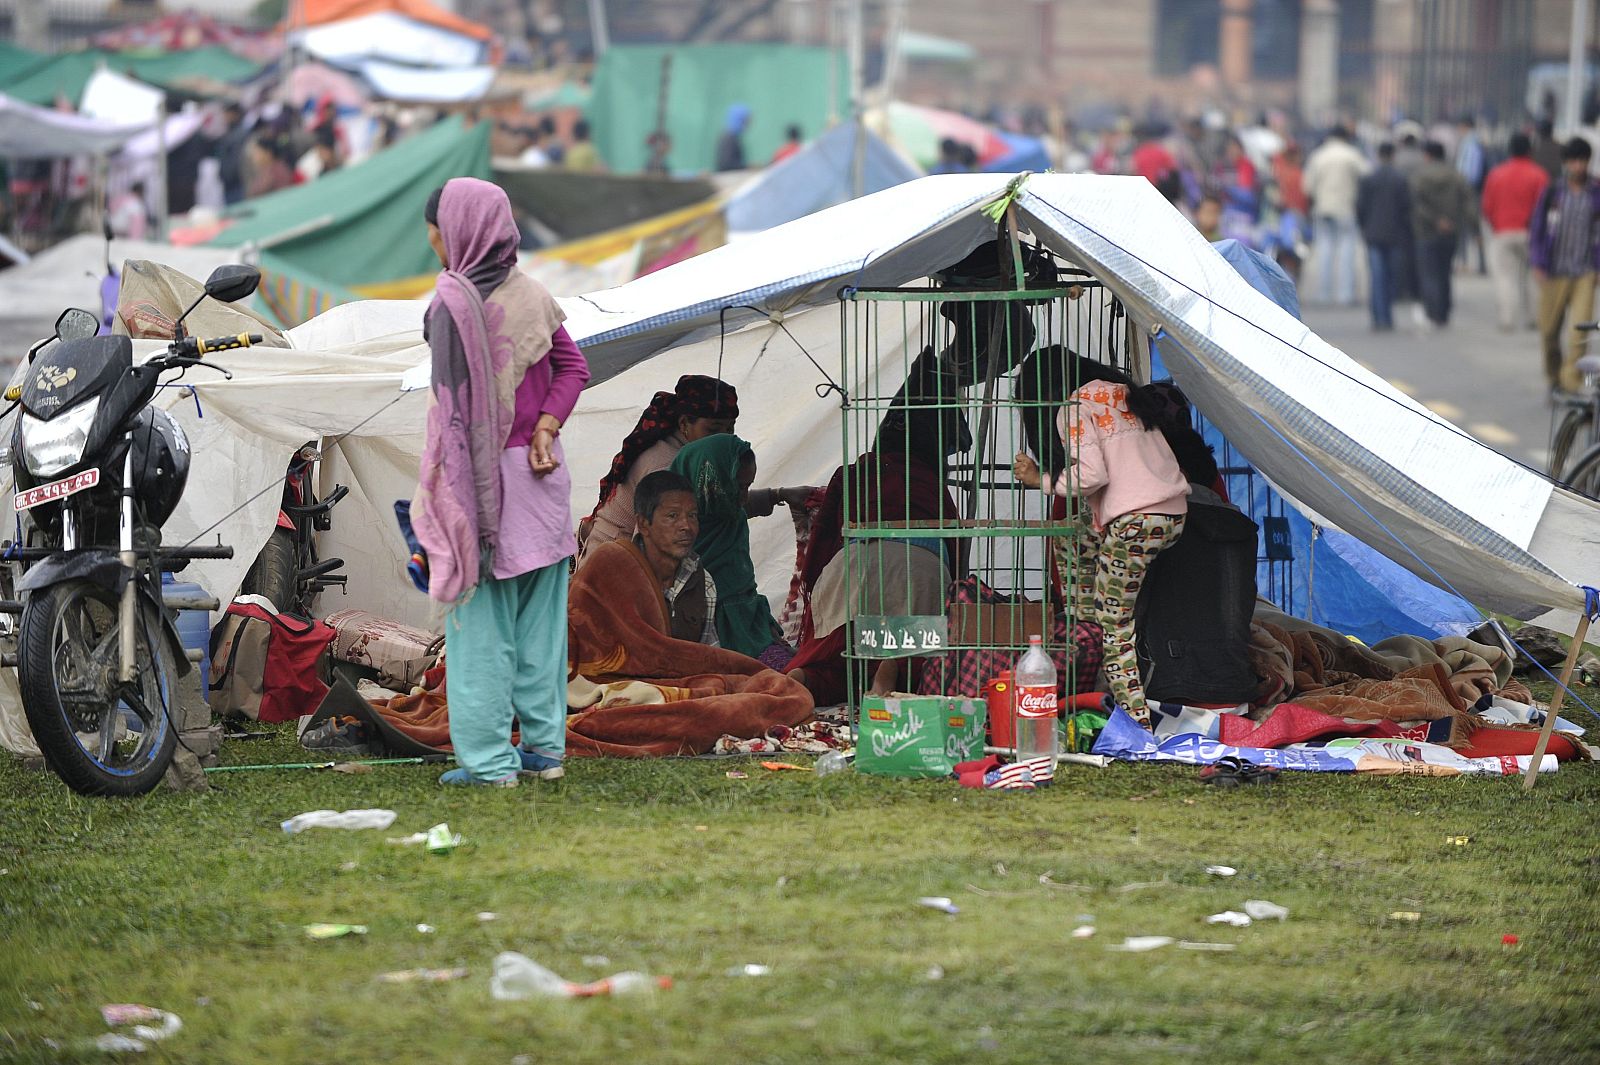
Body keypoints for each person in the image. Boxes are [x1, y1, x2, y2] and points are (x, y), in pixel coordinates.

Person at [413, 177, 592, 786]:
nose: (434, 240)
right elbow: (573, 366)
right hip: (543, 483)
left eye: (437, 228)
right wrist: (547, 426)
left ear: (460, 230)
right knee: (541, 626)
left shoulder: (451, 306)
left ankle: (490, 764)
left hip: (483, 487)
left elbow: (454, 418)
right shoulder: (534, 295)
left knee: (479, 629)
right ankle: (545, 754)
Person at [1011, 356, 1188, 728]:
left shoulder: (1074, 408)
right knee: (1075, 532)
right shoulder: (1123, 394)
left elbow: (1091, 475)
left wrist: (1039, 480)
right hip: (1171, 514)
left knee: (1116, 625)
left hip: (1134, 523)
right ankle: (1084, 622)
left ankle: (1135, 724)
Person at [578, 375, 738, 562]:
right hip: (613, 563)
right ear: (684, 424)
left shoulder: (693, 455)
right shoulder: (665, 466)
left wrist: (773, 496)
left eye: (730, 429)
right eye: (713, 430)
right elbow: (653, 545)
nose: (722, 439)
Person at [669, 434, 791, 666]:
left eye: (748, 487)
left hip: (750, 631)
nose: (743, 497)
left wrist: (779, 495)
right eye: (738, 486)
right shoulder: (671, 537)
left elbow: (744, 593)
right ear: (711, 481)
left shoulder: (731, 517)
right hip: (703, 644)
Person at [1531, 138, 1600, 394]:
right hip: (1553, 271)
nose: (1578, 166)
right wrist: (1537, 262)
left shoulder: (1596, 193)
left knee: (1579, 332)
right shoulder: (1553, 192)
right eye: (1573, 161)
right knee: (1549, 332)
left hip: (1585, 272)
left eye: (1582, 161)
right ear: (1566, 163)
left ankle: (1572, 383)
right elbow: (1537, 228)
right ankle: (1554, 379)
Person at [629, 470, 719, 647]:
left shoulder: (703, 583)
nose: (686, 526)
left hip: (685, 674)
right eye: (673, 516)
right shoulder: (617, 573)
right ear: (643, 524)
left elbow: (708, 653)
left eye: (692, 515)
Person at [1480, 132, 1550, 332]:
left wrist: (1495, 224)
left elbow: (1487, 206)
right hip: (1531, 234)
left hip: (1503, 231)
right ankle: (1533, 318)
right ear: (1530, 150)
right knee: (1532, 277)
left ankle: (1507, 319)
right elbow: (1545, 207)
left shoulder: (1496, 174)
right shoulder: (1539, 175)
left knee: (1504, 277)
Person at [1302, 125, 1369, 306]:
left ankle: (1324, 293)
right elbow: (1366, 177)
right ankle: (1345, 294)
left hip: (1323, 207)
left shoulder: (1318, 156)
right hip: (1346, 207)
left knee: (1324, 250)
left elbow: (1307, 186)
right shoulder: (1352, 154)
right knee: (1347, 251)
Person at [1409, 140, 1473, 328]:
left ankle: (1433, 311)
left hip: (1426, 232)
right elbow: (1468, 201)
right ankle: (1444, 312)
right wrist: (1472, 227)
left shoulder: (1419, 176)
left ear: (1427, 155)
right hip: (1452, 232)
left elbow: (1416, 204)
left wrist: (1435, 221)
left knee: (1429, 273)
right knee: (1445, 272)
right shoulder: (1456, 175)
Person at [1356, 143, 1413, 331]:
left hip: (1373, 234)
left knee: (1377, 276)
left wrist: (1364, 227)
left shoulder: (1369, 179)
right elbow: (1407, 208)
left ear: (1378, 156)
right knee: (1391, 277)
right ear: (1393, 155)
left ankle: (1378, 316)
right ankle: (1387, 316)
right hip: (1395, 235)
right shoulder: (1400, 179)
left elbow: (1361, 208)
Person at [715, 103, 751, 172]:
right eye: (746, 121)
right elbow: (726, 164)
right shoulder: (729, 139)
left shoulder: (732, 138)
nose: (747, 124)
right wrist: (746, 166)